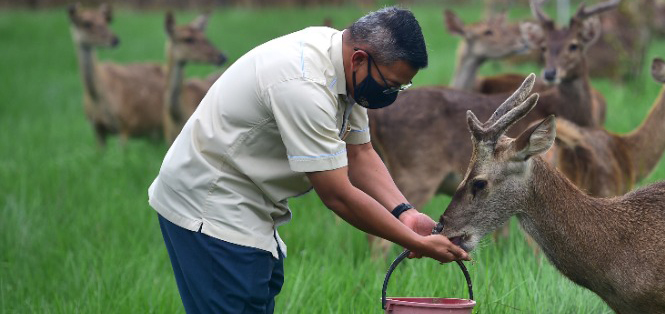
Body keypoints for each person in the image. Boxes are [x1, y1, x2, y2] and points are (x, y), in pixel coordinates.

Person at [148, 7, 468, 313]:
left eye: (403, 86)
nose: (393, 94)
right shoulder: (303, 85)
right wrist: (415, 242)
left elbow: (359, 152)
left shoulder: (344, 64)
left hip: (252, 201)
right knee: (238, 297)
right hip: (210, 202)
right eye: (391, 85)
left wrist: (406, 213)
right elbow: (338, 195)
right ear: (359, 59)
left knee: (257, 292)